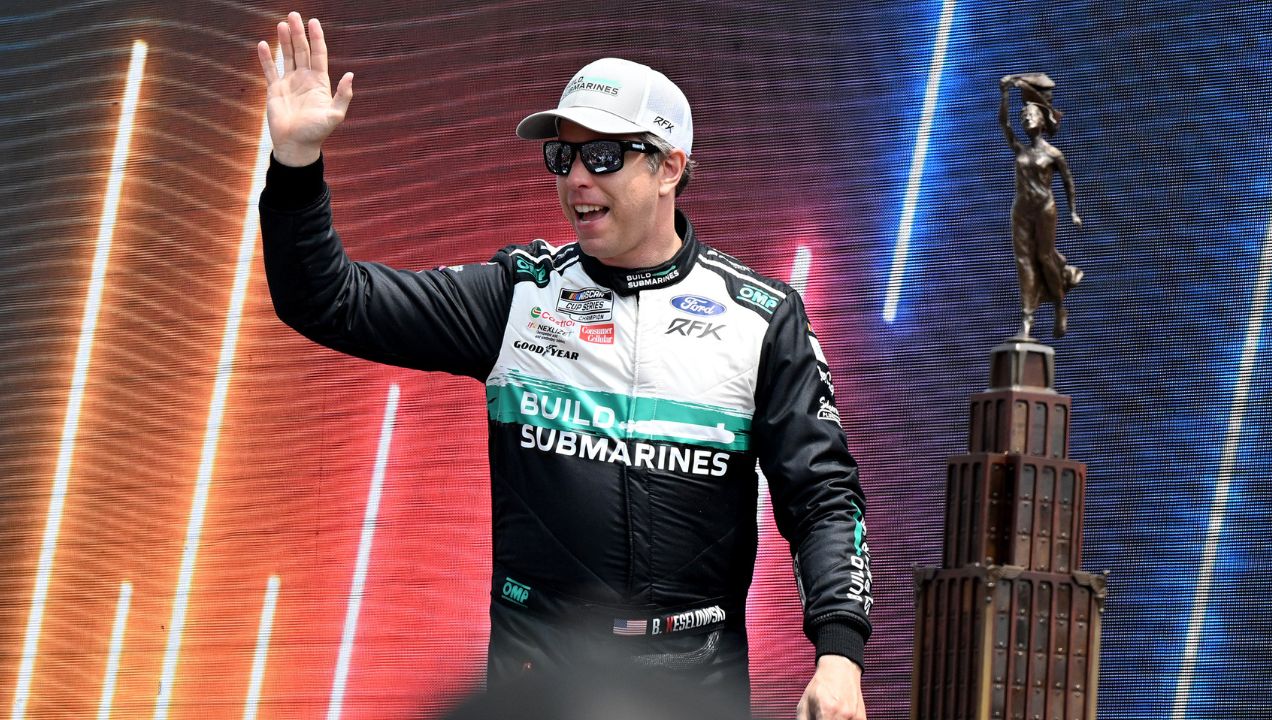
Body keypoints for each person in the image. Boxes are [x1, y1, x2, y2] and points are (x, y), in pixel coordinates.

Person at [255, 13, 871, 719]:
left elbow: (822, 498)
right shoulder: (516, 295)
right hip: (536, 671)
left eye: (602, 156)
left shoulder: (762, 318)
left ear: (669, 165)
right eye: (562, 158)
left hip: (695, 681)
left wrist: (839, 653)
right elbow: (327, 300)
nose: (576, 178)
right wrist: (296, 166)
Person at [999, 73, 1084, 339]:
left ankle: (1059, 306)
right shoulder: (1020, 150)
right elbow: (1004, 123)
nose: (1025, 118)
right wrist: (1005, 94)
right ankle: (1027, 319)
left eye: (1030, 114)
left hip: (1044, 209)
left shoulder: (1052, 154)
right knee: (1023, 261)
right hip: (1021, 211)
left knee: (1045, 259)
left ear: (1042, 120)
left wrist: (1073, 210)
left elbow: (1068, 181)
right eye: (1023, 115)